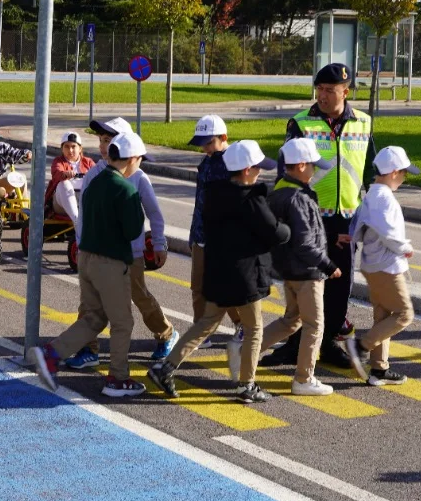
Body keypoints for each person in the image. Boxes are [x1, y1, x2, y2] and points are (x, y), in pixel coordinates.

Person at [147, 140, 289, 404]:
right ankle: (247, 385)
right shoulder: (252, 200)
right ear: (246, 169)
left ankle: (165, 368)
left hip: (217, 269)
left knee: (207, 322)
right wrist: (285, 226)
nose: (260, 171)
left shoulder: (214, 193)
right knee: (254, 328)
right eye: (257, 167)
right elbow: (276, 233)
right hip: (244, 276)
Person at [265, 64, 372, 370]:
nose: (323, 96)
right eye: (319, 90)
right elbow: (286, 168)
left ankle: (326, 344)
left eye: (330, 90)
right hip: (308, 217)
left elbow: (370, 170)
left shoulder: (363, 123)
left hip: (347, 217)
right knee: (304, 284)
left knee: (340, 286)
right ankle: (295, 344)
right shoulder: (301, 123)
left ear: (346, 91)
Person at [30, 131, 152, 398]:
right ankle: (117, 379)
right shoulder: (126, 188)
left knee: (94, 318)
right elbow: (134, 231)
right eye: (140, 159)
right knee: (122, 322)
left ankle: (51, 354)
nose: (141, 164)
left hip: (86, 257)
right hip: (110, 262)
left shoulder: (94, 181)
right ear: (131, 158)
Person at [83, 117, 174, 361]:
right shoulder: (93, 174)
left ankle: (165, 333)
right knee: (90, 301)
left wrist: (158, 244)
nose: (104, 147)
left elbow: (154, 214)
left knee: (140, 297)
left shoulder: (139, 178)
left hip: (130, 255)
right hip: (98, 252)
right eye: (102, 140)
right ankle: (88, 348)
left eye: (109, 140)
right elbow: (84, 215)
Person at [258, 137, 339, 395]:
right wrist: (328, 265)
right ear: (301, 165)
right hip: (307, 272)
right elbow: (304, 242)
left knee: (291, 320)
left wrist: (332, 239)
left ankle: (247, 348)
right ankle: (304, 379)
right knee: (314, 324)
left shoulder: (280, 192)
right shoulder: (298, 197)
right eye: (313, 166)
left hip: (289, 270)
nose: (315, 170)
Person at [344, 146, 418, 386]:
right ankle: (361, 345)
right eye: (404, 173)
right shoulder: (384, 199)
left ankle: (379, 369)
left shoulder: (371, 195)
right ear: (394, 172)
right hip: (386, 266)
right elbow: (390, 233)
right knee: (404, 314)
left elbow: (357, 228)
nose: (404, 178)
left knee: (383, 316)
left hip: (372, 263)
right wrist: (405, 248)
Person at [187, 115, 230, 324]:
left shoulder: (233, 163)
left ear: (223, 137)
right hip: (200, 236)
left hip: (222, 238)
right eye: (202, 144)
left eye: (210, 142)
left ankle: (242, 325)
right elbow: (198, 202)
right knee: (197, 287)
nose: (206, 148)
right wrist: (192, 235)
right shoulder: (204, 164)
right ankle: (200, 328)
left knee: (226, 287)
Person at [48, 131, 93, 215]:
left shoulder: (88, 162)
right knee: (64, 184)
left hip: (84, 200)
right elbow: (56, 172)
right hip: (61, 203)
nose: (70, 150)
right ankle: (76, 221)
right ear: (62, 149)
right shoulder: (58, 161)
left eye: (73, 146)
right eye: (67, 147)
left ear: (80, 149)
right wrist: (65, 174)